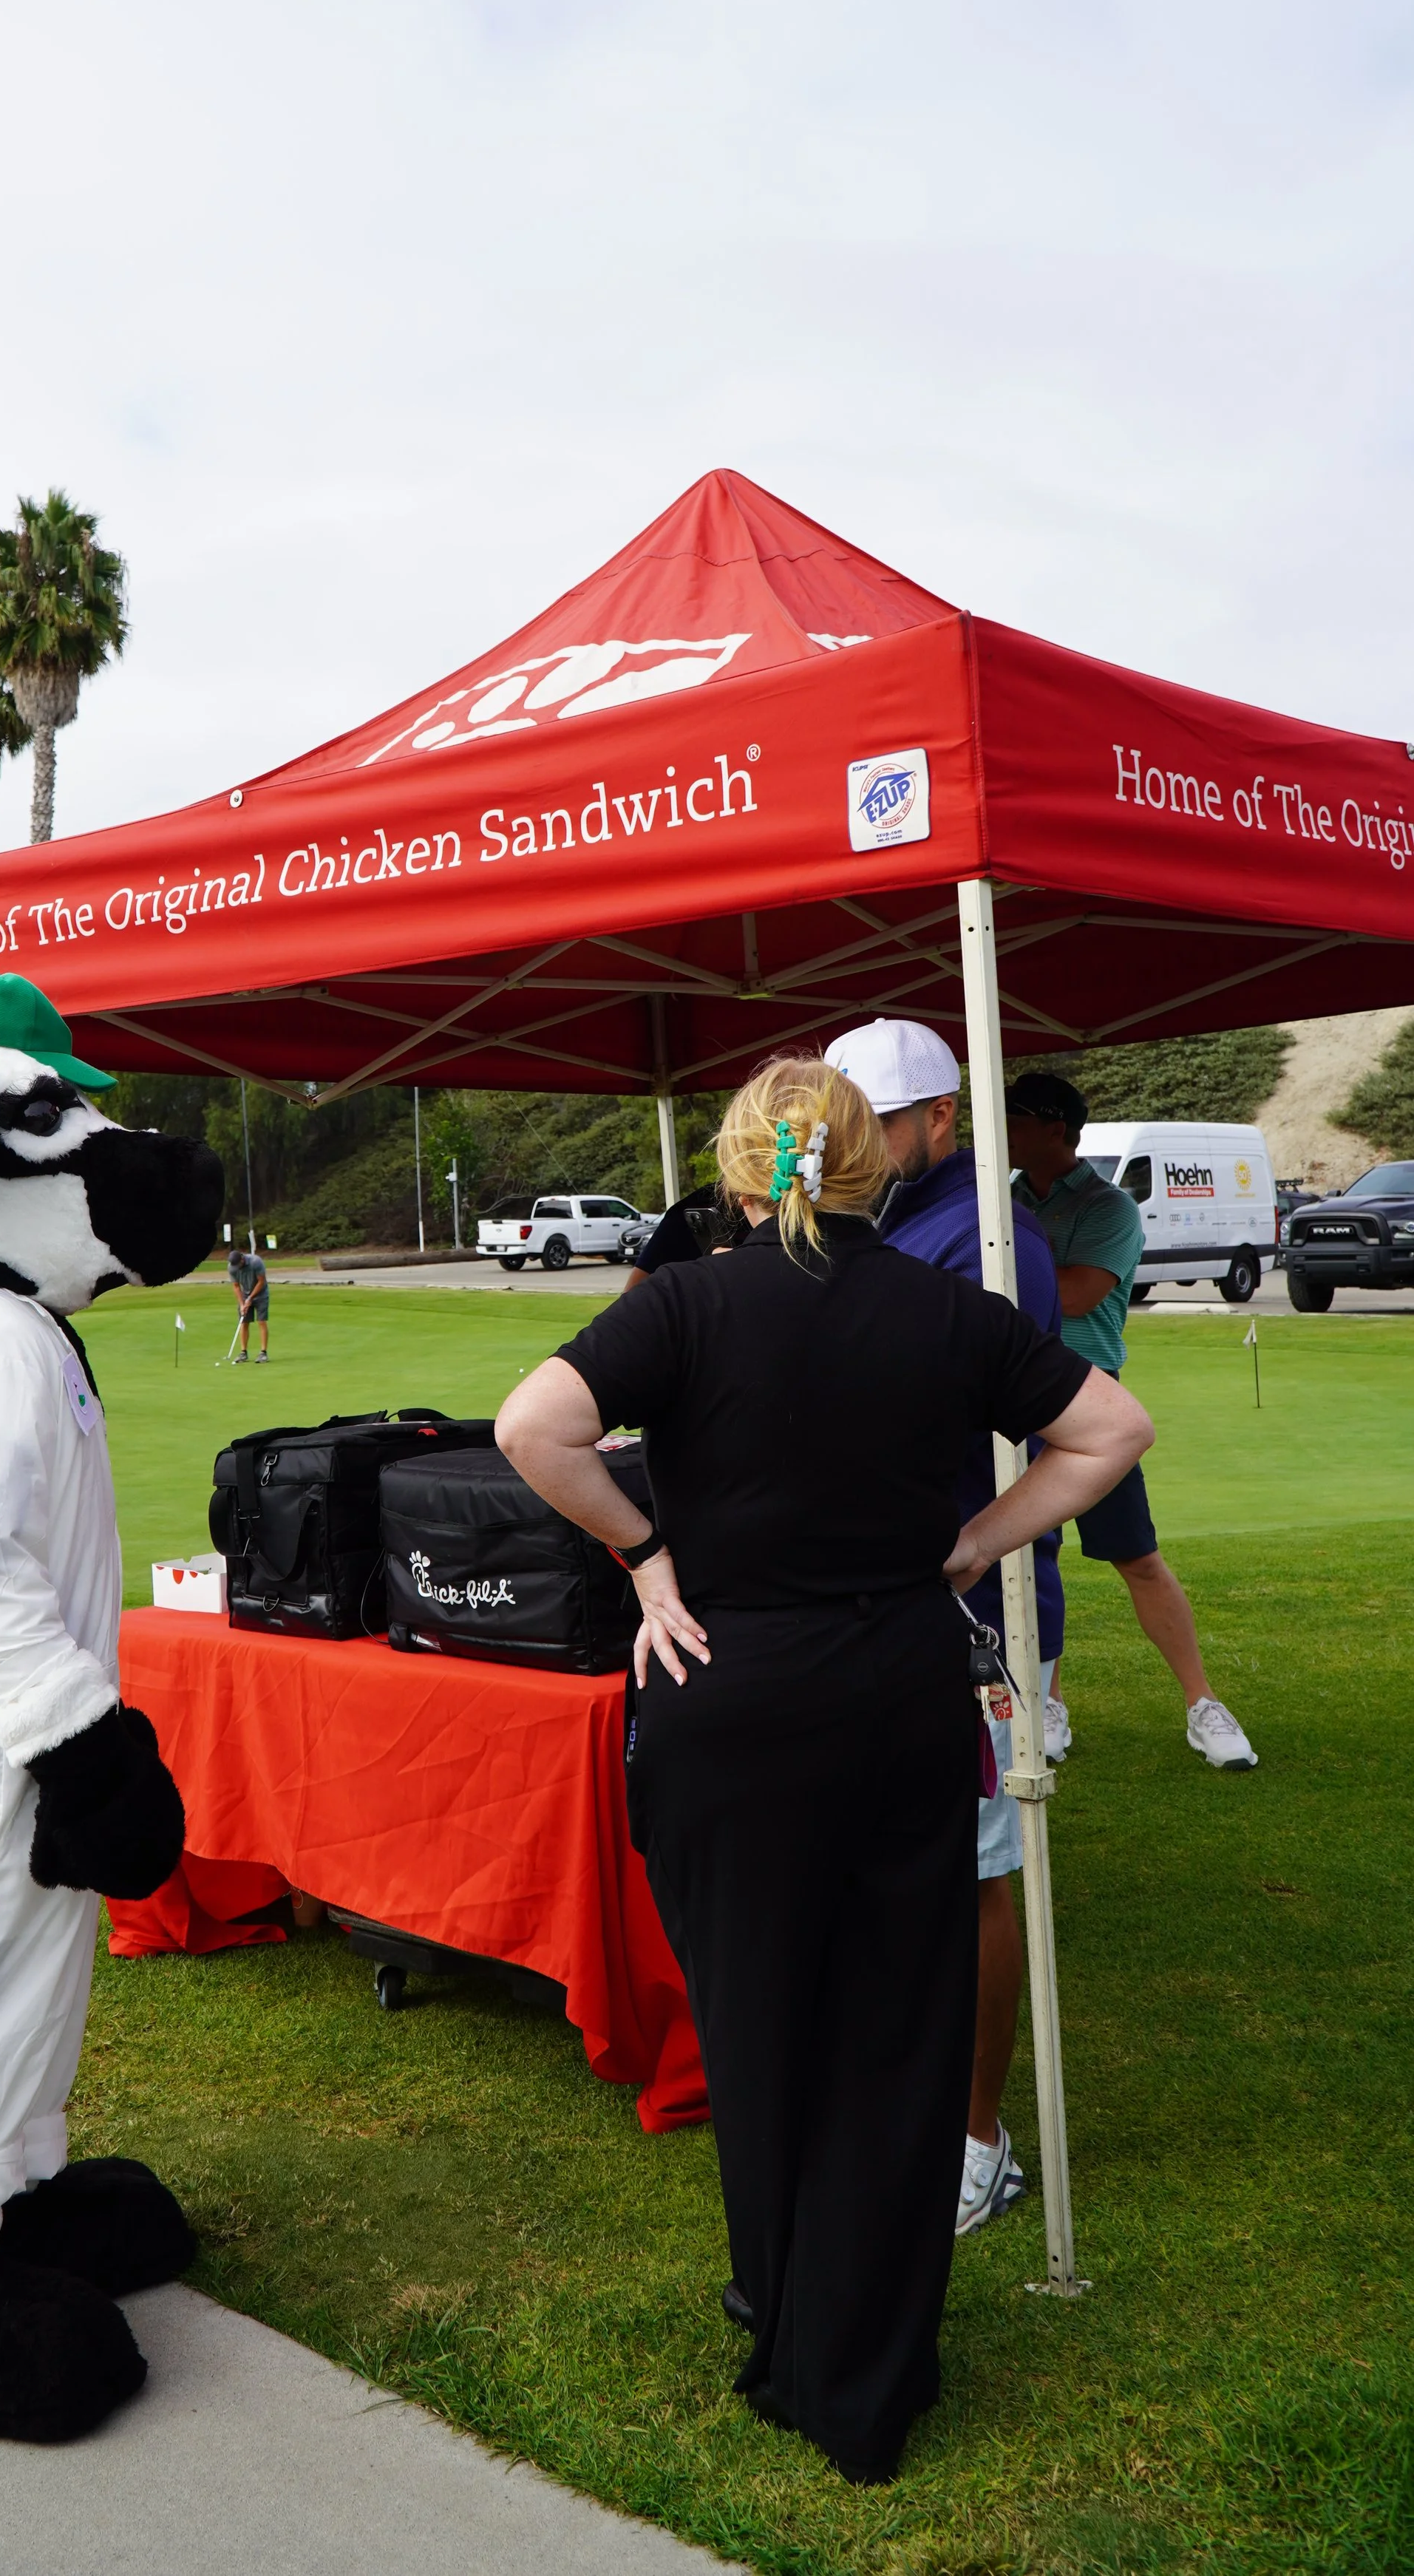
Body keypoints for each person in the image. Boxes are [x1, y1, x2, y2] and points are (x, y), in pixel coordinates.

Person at [494, 1057, 1151, 2484]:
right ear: (876, 1165)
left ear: (742, 1173)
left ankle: (785, 2314)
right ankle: (863, 2361)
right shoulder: (945, 1308)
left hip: (729, 1705)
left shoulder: (679, 1303)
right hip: (896, 1695)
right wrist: (978, 1544)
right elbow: (1112, 1431)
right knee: (897, 2026)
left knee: (758, 2019)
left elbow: (529, 1430)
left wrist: (647, 1553)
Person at [823, 1017, 1062, 2242]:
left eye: (875, 1121)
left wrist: (974, 1544)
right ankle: (917, 2104)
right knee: (903, 1869)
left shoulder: (988, 1235)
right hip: (883, 1601)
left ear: (936, 1119)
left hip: (968, 1606)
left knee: (975, 1875)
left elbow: (1072, 1425)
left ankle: (980, 2138)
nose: (851, 1144)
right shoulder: (887, 1222)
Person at [1005, 1071, 1258, 1770]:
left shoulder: (1109, 1206)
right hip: (1017, 1396)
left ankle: (1202, 1705)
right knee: (1030, 1557)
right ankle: (1047, 1703)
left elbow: (1080, 1294)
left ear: (1056, 1127)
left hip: (1089, 1399)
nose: (1006, 1128)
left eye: (1018, 1116)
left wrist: (995, 1269)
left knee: (1136, 1555)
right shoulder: (1008, 1200)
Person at [228, 1245, 270, 1362]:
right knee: (244, 1322)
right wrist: (242, 1304)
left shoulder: (256, 1262)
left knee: (261, 1321)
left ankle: (263, 1353)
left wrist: (250, 1298)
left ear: (242, 1259)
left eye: (238, 1265)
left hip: (261, 1294)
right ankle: (243, 1353)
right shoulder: (232, 1267)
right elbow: (236, 1286)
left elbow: (261, 1282)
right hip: (245, 1295)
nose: (237, 1267)